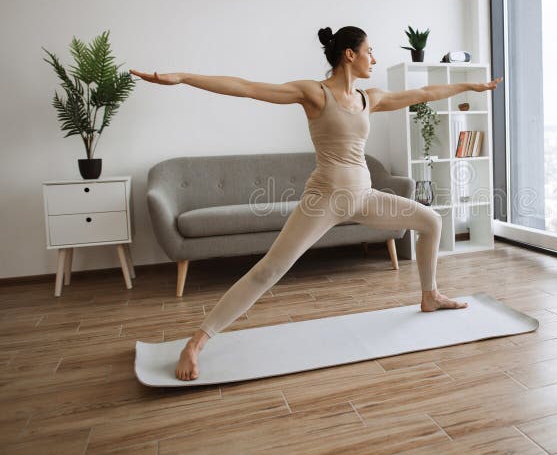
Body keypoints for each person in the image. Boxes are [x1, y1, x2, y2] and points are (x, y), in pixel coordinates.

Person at [129, 26, 503, 381]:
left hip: (365, 198)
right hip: (323, 200)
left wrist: (468, 84)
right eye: (369, 51)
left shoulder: (367, 99)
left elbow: (423, 95)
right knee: (268, 271)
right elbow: (247, 88)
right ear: (349, 54)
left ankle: (429, 295)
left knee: (431, 222)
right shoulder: (315, 93)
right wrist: (183, 77)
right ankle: (196, 342)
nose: (374, 58)